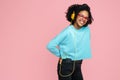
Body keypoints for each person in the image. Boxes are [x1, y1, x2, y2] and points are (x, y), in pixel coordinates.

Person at [47, 3, 93, 80]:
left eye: (86, 17)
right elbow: (50, 45)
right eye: (81, 15)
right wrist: (61, 55)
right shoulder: (67, 31)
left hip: (78, 64)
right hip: (66, 65)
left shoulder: (86, 30)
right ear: (74, 15)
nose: (83, 19)